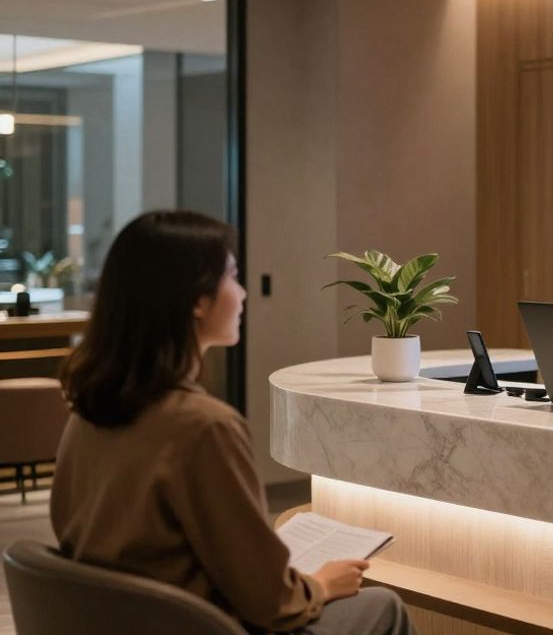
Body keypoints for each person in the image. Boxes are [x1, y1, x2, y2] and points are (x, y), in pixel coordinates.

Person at [50, 211, 415, 635]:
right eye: (232, 277)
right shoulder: (203, 427)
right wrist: (319, 585)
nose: (242, 294)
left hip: (120, 620)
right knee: (383, 606)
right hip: (199, 624)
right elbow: (272, 604)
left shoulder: (88, 411)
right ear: (198, 300)